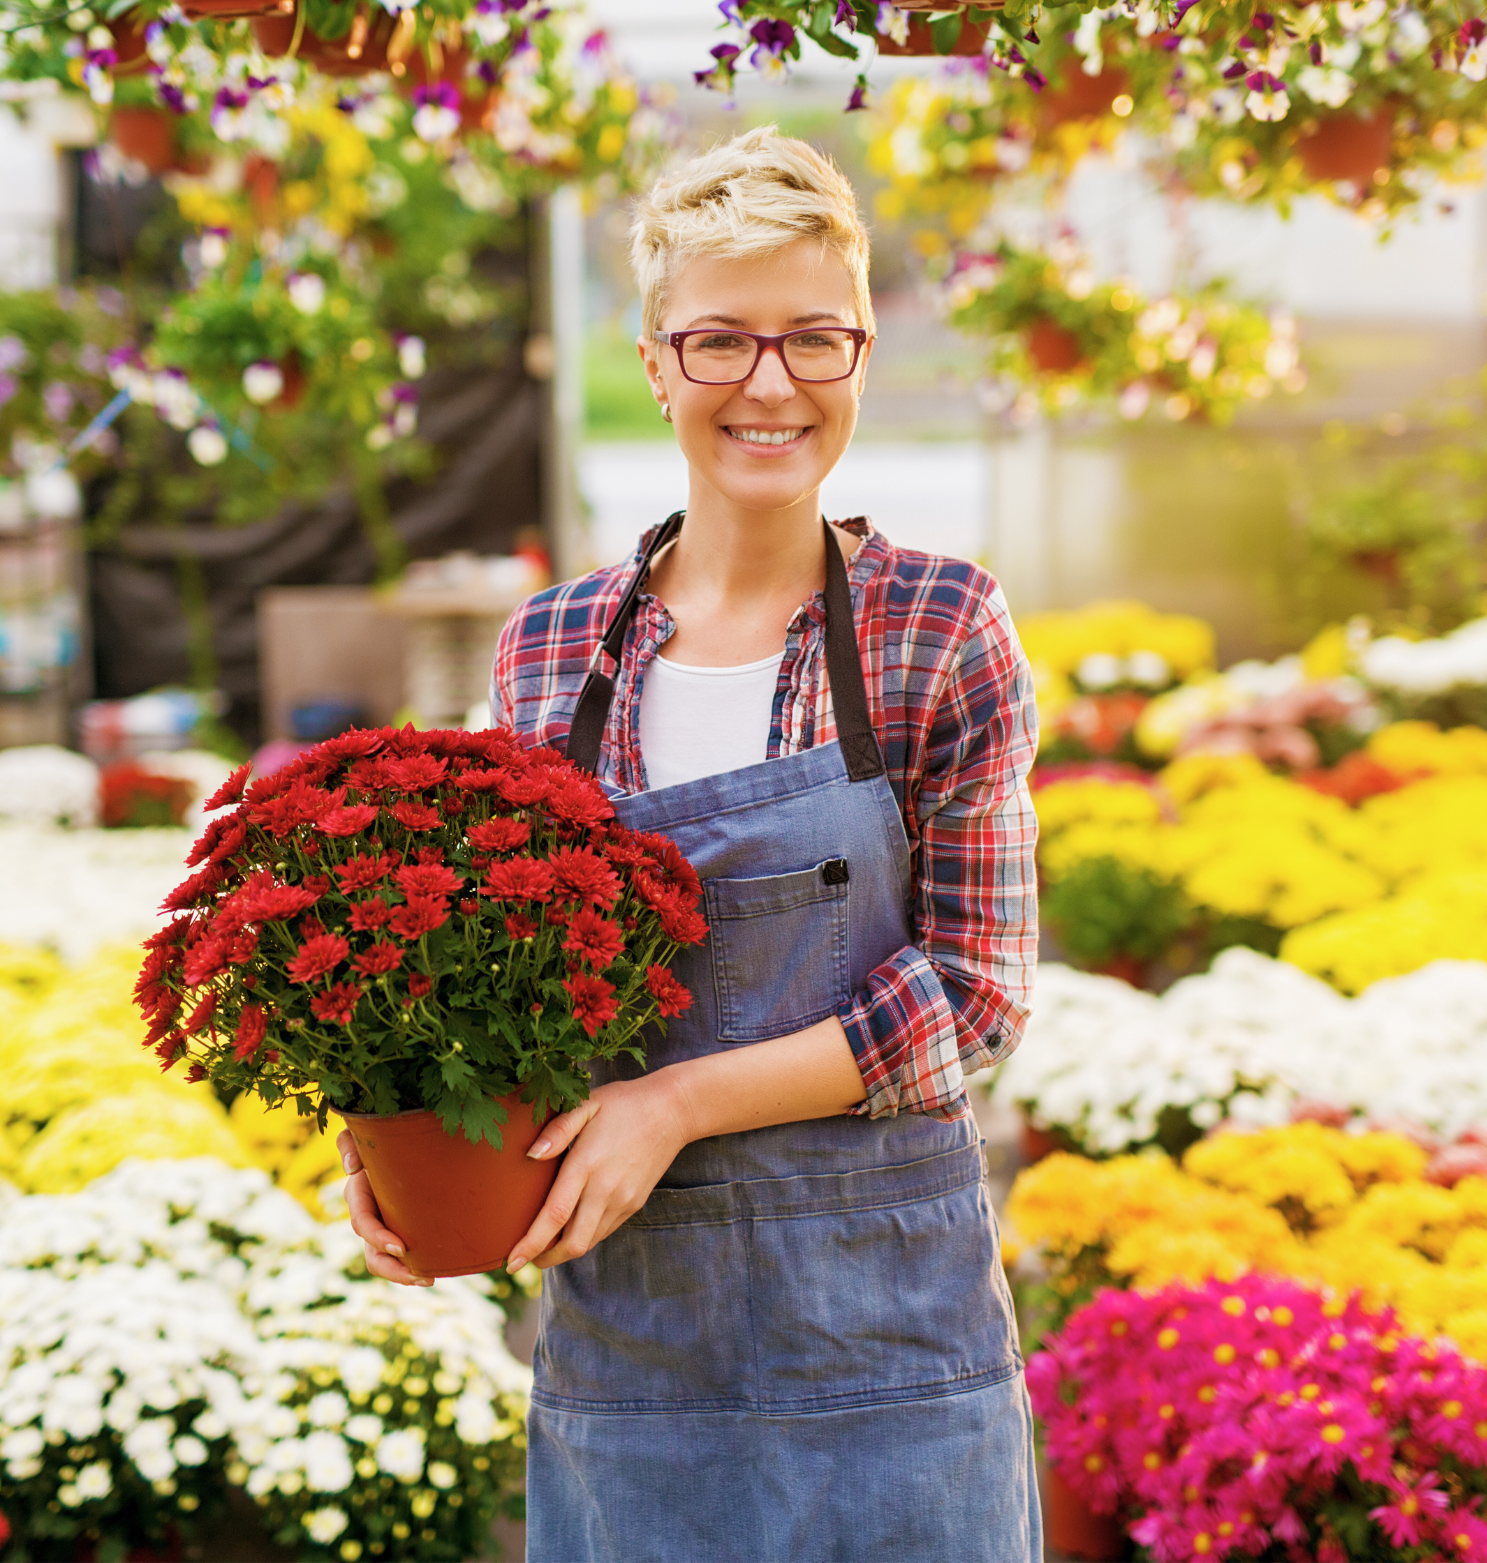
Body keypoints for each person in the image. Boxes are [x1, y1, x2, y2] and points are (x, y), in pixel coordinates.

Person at [341, 126, 1042, 1562]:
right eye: (718, 340)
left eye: (811, 339)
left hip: (887, 1350)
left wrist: (673, 1103)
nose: (768, 384)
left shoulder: (937, 626)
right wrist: (397, 1133)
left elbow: (972, 997)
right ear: (654, 360)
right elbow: (496, 976)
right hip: (634, 1344)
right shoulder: (549, 650)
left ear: (859, 356)